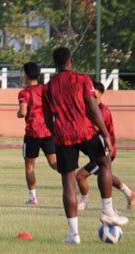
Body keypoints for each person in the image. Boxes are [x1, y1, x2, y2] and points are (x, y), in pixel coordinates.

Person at [42, 47, 128, 244]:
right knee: (105, 164)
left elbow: (47, 117)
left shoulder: (47, 87)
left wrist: (56, 133)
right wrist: (105, 133)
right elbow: (92, 106)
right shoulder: (82, 79)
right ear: (70, 61)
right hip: (86, 130)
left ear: (54, 63)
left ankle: (73, 235)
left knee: (68, 182)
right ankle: (107, 211)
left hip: (63, 135)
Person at [77, 81, 134, 210]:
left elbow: (93, 130)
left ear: (101, 94)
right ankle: (129, 193)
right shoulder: (89, 109)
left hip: (105, 151)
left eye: (95, 95)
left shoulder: (102, 112)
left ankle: (84, 202)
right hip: (98, 150)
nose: (92, 97)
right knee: (104, 175)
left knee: (80, 176)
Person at [17, 62, 57, 205]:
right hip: (47, 131)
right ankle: (72, 180)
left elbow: (23, 112)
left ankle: (33, 198)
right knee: (54, 163)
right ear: (38, 75)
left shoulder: (24, 93)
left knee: (29, 166)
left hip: (32, 133)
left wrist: (18, 114)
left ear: (26, 75)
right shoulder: (46, 90)